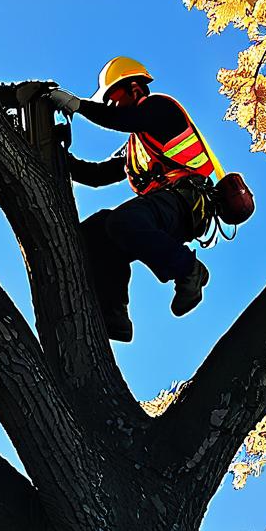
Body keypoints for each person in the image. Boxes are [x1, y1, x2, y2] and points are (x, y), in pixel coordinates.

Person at [44, 56, 216, 342]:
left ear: (135, 89)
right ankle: (114, 314)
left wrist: (78, 104)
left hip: (184, 202)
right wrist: (59, 155)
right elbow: (97, 175)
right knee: (94, 231)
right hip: (160, 211)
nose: (109, 106)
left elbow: (120, 119)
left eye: (113, 98)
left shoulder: (160, 109)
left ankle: (189, 270)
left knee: (123, 221)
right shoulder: (135, 146)